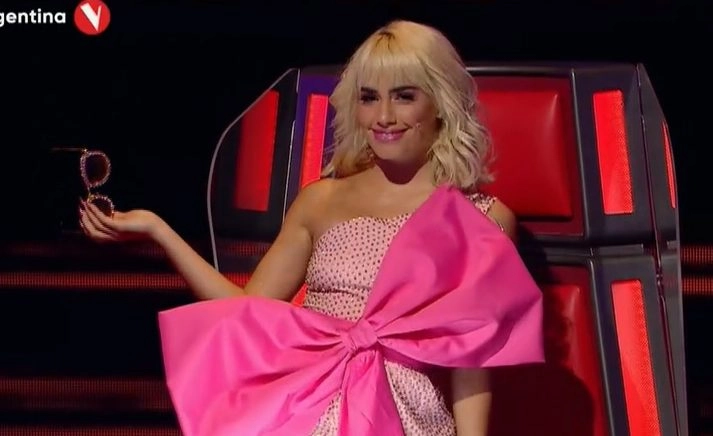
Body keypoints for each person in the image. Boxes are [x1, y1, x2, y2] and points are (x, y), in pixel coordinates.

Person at [80, 20, 544, 436]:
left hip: (404, 412)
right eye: (369, 97)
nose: (383, 116)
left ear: (440, 104)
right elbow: (246, 312)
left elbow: (472, 359)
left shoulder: (480, 218)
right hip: (302, 403)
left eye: (404, 96)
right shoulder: (320, 200)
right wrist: (159, 230)